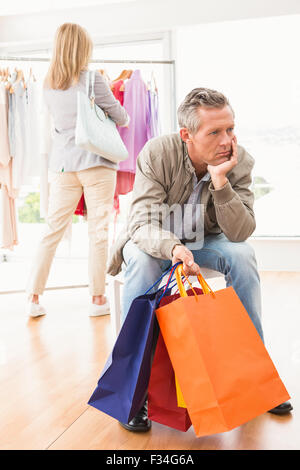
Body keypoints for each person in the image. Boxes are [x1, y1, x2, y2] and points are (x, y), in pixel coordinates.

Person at [107, 87, 292, 432]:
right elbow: (142, 222)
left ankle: (255, 378)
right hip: (154, 237)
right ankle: (133, 389)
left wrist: (220, 182)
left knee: (243, 256)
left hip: (208, 241)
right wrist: (173, 248)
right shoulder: (158, 153)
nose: (227, 140)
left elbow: (240, 232)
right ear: (186, 135)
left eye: (231, 129)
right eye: (215, 132)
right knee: (145, 263)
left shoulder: (240, 161)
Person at [26, 23, 129, 317]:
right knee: (98, 231)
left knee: (52, 230)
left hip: (62, 165)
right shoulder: (91, 79)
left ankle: (33, 298)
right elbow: (122, 117)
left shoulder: (47, 83)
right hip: (96, 162)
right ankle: (98, 300)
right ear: (83, 48)